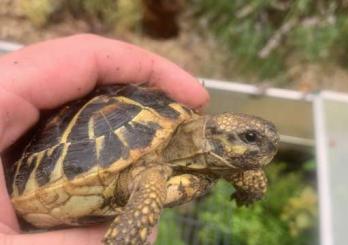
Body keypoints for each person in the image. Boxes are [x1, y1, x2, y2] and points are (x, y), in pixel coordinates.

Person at [0, 34, 209, 244]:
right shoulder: (151, 175)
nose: (242, 151)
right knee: (150, 189)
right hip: (28, 170)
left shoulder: (198, 161)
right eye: (242, 139)